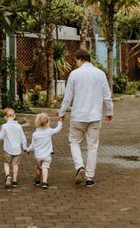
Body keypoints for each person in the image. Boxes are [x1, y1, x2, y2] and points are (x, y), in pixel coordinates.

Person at [58, 49, 113, 188]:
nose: (75, 63)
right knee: (92, 146)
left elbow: (68, 96)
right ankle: (89, 178)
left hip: (78, 116)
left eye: (76, 60)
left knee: (74, 141)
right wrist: (110, 111)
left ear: (80, 59)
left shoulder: (74, 74)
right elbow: (107, 95)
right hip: (95, 117)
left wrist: (62, 112)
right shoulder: (100, 74)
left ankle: (79, 167)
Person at [26, 112, 63, 190]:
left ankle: (37, 180)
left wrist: (27, 149)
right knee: (45, 168)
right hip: (47, 155)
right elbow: (57, 129)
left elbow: (32, 145)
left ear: (37, 123)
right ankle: (45, 182)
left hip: (38, 156)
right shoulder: (49, 131)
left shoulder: (35, 134)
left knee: (39, 167)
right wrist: (60, 121)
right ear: (47, 122)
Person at [0, 107, 27, 189]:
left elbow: (1, 137)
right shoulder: (19, 126)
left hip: (8, 149)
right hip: (17, 150)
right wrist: (25, 148)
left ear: (5, 117)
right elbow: (23, 138)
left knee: (6, 163)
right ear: (14, 116)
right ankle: (15, 180)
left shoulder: (4, 126)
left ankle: (8, 175)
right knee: (15, 165)